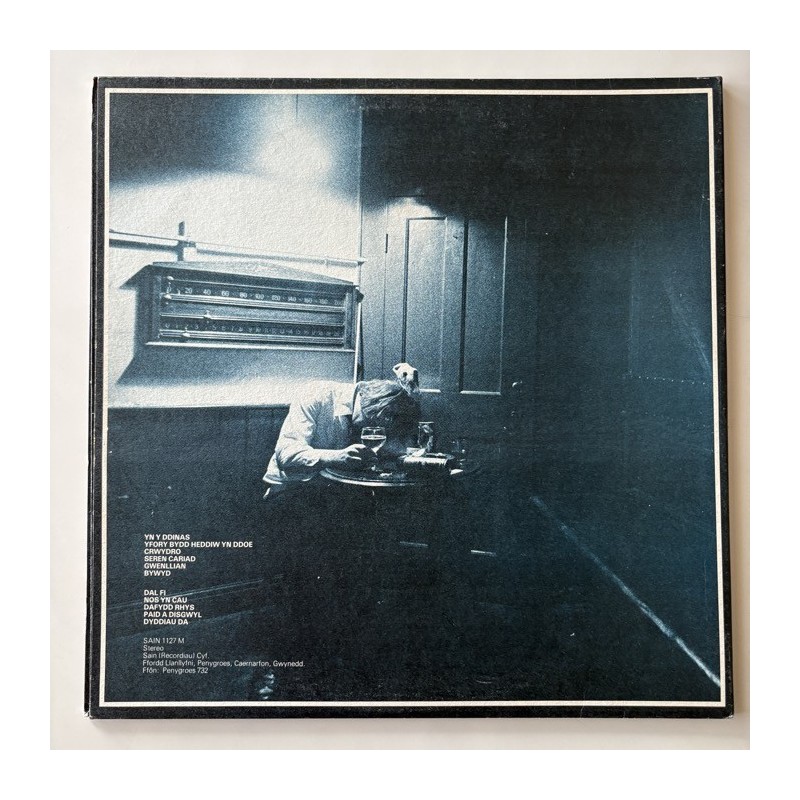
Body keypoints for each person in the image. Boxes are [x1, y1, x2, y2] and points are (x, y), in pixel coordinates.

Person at [262, 366, 421, 493]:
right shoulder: (315, 394)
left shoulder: (384, 416)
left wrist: (413, 394)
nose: (366, 431)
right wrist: (335, 457)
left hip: (337, 490)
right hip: (292, 487)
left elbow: (398, 450)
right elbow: (286, 455)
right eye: (366, 422)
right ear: (363, 399)